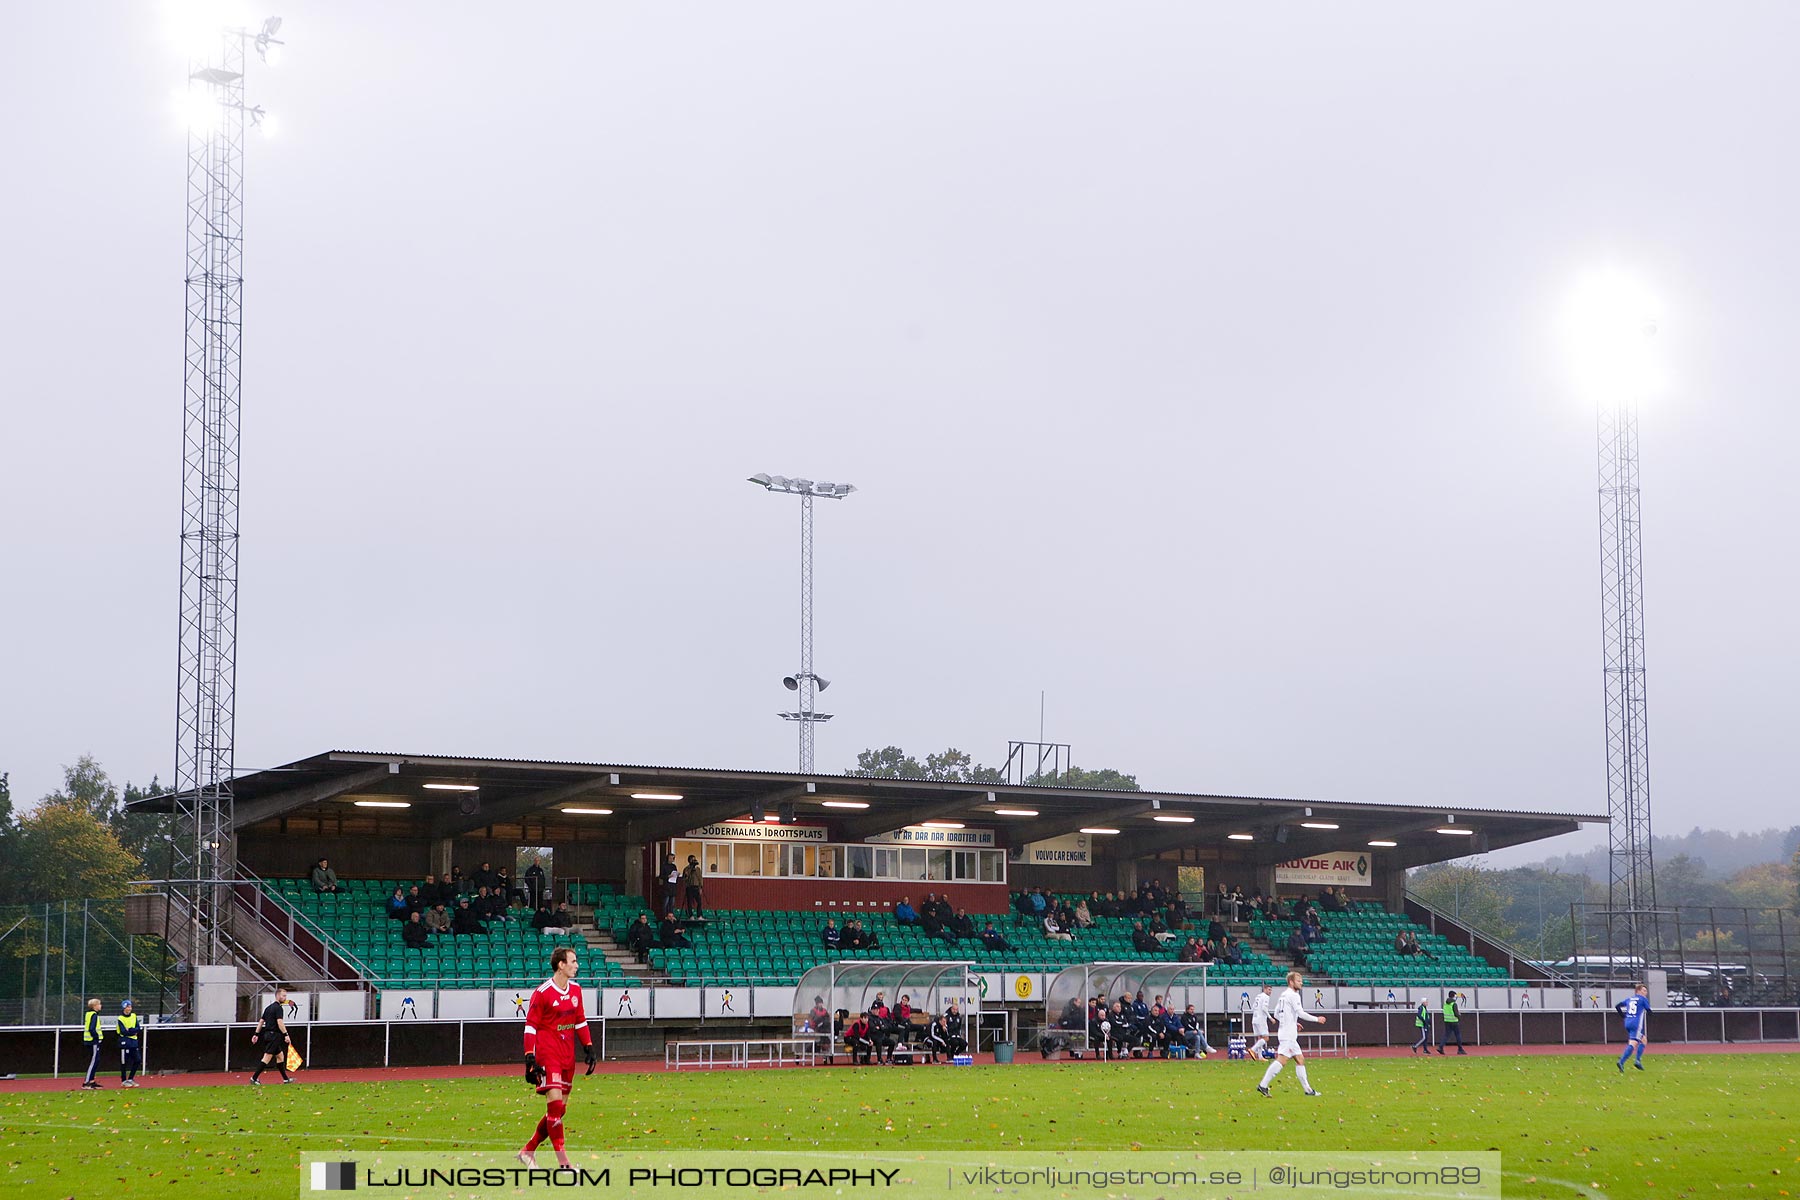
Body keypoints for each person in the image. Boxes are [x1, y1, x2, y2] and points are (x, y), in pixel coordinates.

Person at [519, 946, 596, 1169]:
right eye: (572, 961)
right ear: (561, 965)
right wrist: (530, 1057)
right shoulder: (542, 993)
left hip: (567, 1055)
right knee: (554, 1109)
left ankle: (528, 1151)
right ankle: (564, 1164)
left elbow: (580, 1020)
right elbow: (530, 1026)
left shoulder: (576, 990)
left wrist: (588, 1047)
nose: (576, 965)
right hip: (547, 1054)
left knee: (559, 1111)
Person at [1257, 970, 1326, 1097]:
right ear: (1291, 982)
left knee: (1300, 1060)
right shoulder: (1294, 995)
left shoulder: (1283, 995)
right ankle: (1263, 1085)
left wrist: (1293, 1023)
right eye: (1298, 981)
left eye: (1301, 981)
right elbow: (1301, 1013)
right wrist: (1317, 1019)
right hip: (1288, 1035)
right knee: (1282, 1060)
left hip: (1286, 1033)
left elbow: (1277, 1014)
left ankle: (1308, 1090)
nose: (1301, 983)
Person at [249, 987, 293, 1084]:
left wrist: (256, 1034)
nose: (285, 998)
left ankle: (286, 1079)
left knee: (280, 1056)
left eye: (285, 996)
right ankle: (254, 1078)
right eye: (283, 995)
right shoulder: (278, 1008)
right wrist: (286, 1034)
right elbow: (280, 1022)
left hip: (268, 1035)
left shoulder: (268, 1008)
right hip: (274, 1035)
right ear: (277, 996)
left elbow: (261, 1021)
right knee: (267, 1057)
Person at [1614, 983, 1652, 1072]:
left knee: (1643, 1040)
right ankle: (1622, 1061)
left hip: (1627, 1022)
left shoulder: (1630, 999)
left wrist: (1623, 1015)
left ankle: (1637, 1061)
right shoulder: (1643, 999)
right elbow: (1649, 1011)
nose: (1645, 992)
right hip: (1636, 1023)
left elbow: (1617, 1006)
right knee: (1633, 1044)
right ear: (1638, 991)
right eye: (1644, 990)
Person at [79, 998, 107, 1089]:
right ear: (95, 1006)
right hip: (93, 1041)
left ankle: (91, 1081)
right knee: (94, 1061)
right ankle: (87, 1082)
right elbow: (92, 1028)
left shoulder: (88, 1014)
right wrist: (97, 1038)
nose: (100, 1006)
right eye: (99, 1004)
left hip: (89, 1041)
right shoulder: (94, 1015)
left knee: (96, 1060)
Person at [116, 998, 143, 1086]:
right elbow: (123, 1031)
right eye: (128, 1007)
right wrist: (132, 1031)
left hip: (133, 1041)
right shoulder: (120, 1018)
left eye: (130, 1006)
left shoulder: (134, 1016)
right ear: (124, 1008)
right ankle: (123, 1080)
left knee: (138, 1060)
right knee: (124, 1062)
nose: (130, 1008)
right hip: (124, 1041)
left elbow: (138, 1028)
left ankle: (131, 1078)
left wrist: (131, 1030)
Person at [1247, 982, 1274, 1061]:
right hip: (1261, 1020)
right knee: (1266, 1038)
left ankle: (1260, 1057)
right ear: (1264, 989)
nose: (1270, 992)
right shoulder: (1266, 997)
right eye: (1269, 990)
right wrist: (1270, 1018)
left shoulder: (1258, 996)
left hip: (1254, 1019)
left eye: (1271, 990)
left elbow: (1253, 1007)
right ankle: (1253, 1049)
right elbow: (1264, 1008)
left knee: (1260, 1038)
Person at [660, 854, 681, 918]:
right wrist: (667, 876)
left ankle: (671, 915)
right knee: (665, 903)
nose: (671, 859)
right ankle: (665, 916)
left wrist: (677, 875)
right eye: (670, 858)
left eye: (672, 858)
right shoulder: (664, 866)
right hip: (666, 886)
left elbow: (675, 873)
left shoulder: (674, 866)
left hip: (673, 886)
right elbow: (661, 876)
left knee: (672, 903)